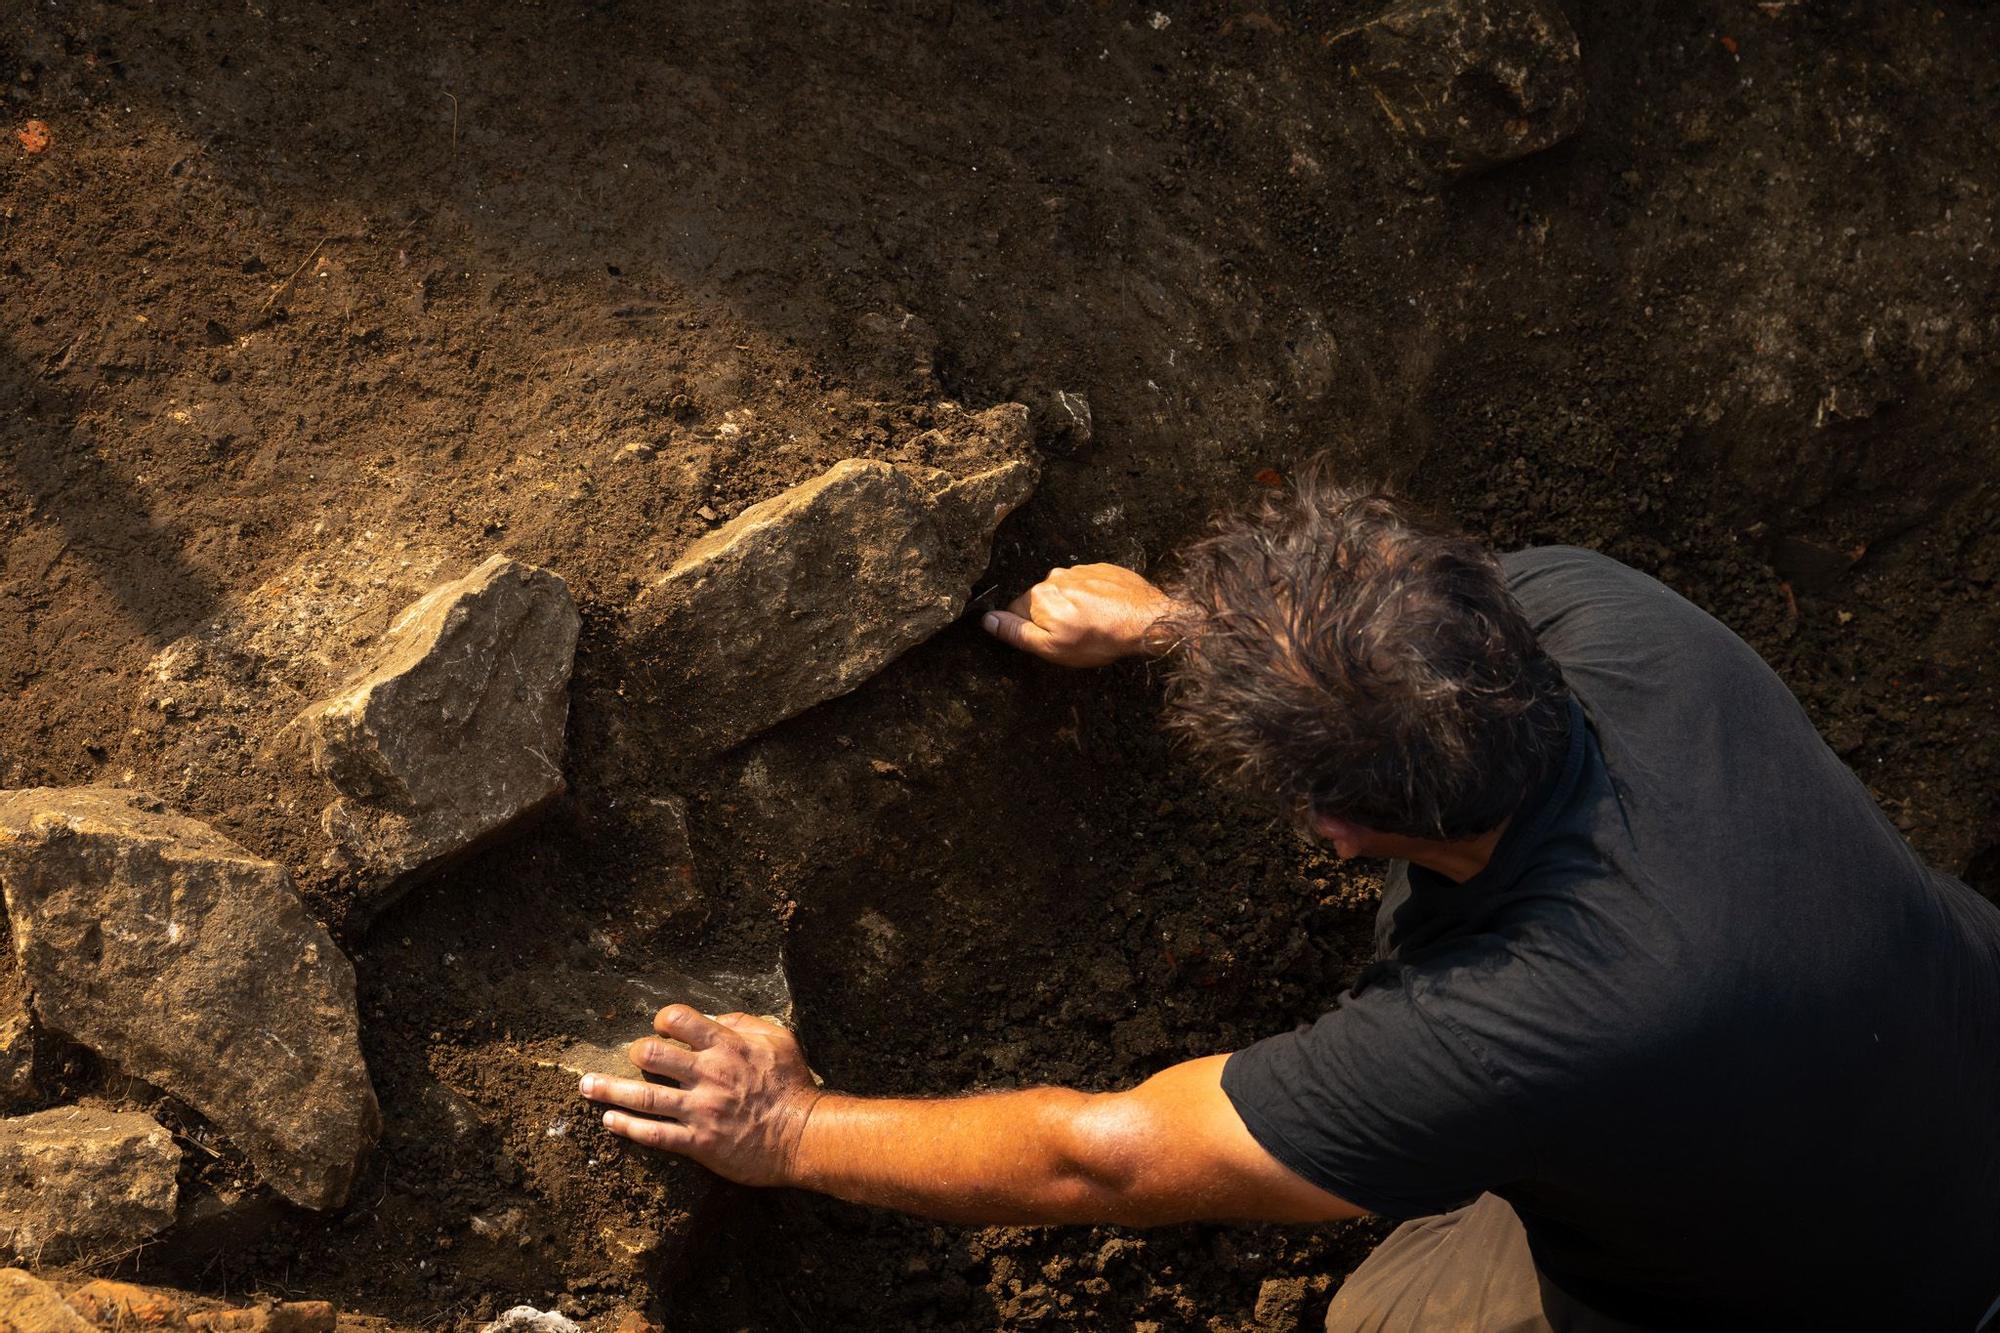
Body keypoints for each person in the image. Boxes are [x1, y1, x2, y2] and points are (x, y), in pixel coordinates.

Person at [579, 472, 2000, 1330]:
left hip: (1872, 1299)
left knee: (1381, 1312)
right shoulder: (1600, 612)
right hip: (1940, 1048)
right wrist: (1176, 626)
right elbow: (1412, 646)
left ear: (1336, 831)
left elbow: (1105, 1160)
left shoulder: (1517, 1026)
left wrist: (795, 1126)